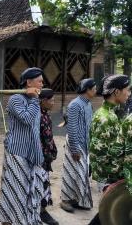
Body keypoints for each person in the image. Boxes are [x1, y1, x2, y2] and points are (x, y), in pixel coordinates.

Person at [0, 67, 44, 225]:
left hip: (32, 152)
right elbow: (27, 119)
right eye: (40, 81)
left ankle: (23, 220)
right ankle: (9, 221)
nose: (42, 84)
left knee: (28, 190)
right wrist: (34, 100)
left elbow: (35, 128)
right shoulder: (16, 99)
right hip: (17, 152)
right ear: (29, 82)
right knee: (14, 190)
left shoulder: (33, 100)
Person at [88, 74, 131, 225]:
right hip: (109, 178)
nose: (129, 93)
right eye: (127, 89)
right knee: (111, 215)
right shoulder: (107, 118)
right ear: (116, 92)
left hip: (109, 176)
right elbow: (101, 154)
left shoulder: (107, 113)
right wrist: (111, 182)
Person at [60, 78, 96, 212]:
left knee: (81, 174)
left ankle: (76, 199)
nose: (96, 90)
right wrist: (74, 149)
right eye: (94, 88)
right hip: (75, 143)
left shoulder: (88, 104)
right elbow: (72, 128)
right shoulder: (75, 105)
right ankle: (65, 200)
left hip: (85, 144)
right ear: (87, 89)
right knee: (71, 173)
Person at [38, 89, 59, 225]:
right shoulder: (37, 116)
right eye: (51, 100)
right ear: (44, 100)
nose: (53, 103)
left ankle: (42, 210)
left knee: (44, 182)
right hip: (39, 157)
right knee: (40, 183)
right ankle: (41, 212)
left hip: (46, 157)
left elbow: (49, 136)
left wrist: (53, 150)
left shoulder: (46, 115)